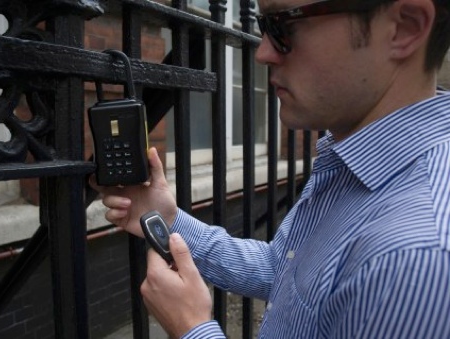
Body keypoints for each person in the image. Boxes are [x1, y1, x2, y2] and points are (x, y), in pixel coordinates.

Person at [92, 0, 450, 337]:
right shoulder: (354, 161)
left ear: (405, 27)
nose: (263, 52)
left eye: (283, 25)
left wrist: (192, 327)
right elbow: (284, 270)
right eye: (263, 25)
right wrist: (168, 220)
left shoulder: (416, 257)